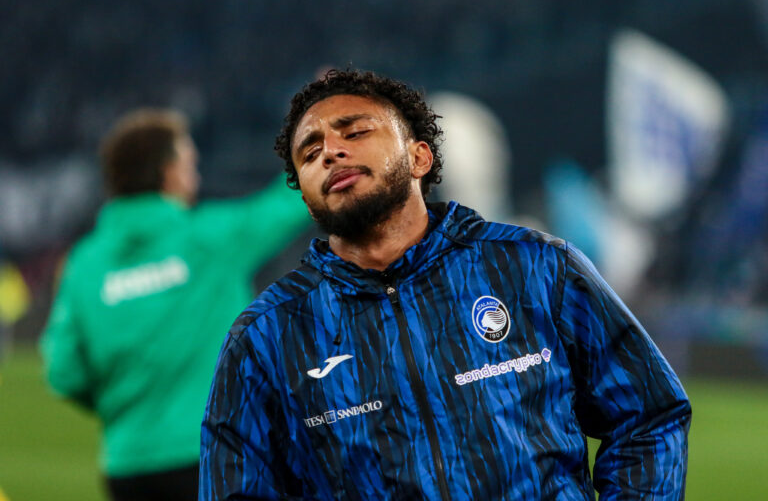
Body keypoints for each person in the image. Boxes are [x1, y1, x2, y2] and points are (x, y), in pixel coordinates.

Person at [200, 70, 691, 500]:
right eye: (310, 152)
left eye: (355, 131)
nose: (330, 151)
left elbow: (649, 417)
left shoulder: (537, 267)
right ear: (305, 195)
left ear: (419, 158)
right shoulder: (267, 335)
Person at [40, 108, 310, 501]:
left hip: (128, 465)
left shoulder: (84, 263)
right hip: (214, 451)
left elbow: (63, 371)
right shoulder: (208, 239)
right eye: (189, 164)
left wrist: (126, 404)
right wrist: (319, 133)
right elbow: (289, 201)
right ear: (169, 173)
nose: (195, 176)